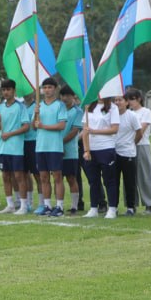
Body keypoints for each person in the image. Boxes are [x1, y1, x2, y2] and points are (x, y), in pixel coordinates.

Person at [32, 78, 69, 216]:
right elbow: (33, 127)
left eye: (49, 87)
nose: (47, 90)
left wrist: (43, 126)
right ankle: (47, 205)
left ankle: (59, 206)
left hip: (54, 146)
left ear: (55, 88)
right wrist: (35, 115)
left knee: (57, 177)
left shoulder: (60, 106)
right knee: (43, 177)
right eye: (45, 87)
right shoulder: (39, 106)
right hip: (40, 146)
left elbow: (61, 125)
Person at [81, 95, 120, 218]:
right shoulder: (89, 107)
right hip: (92, 150)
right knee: (93, 181)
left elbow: (114, 129)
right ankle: (93, 208)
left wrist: (95, 131)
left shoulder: (112, 108)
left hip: (106, 148)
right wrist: (86, 150)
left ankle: (112, 208)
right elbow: (85, 132)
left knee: (109, 180)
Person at [0, 79, 30, 214]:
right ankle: (10, 204)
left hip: (16, 148)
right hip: (3, 148)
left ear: (14, 91)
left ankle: (23, 205)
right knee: (5, 176)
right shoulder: (0, 107)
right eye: (3, 90)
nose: (5, 92)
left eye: (8, 89)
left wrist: (10, 134)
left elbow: (26, 126)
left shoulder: (20, 107)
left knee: (19, 176)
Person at [127, 88, 151, 214]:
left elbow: (142, 129)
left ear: (139, 99)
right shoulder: (128, 113)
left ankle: (149, 204)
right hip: (128, 147)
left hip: (141, 145)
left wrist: (132, 142)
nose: (130, 102)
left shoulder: (145, 112)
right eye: (128, 100)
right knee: (129, 177)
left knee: (145, 176)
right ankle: (131, 204)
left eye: (132, 99)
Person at [114, 95, 140, 215]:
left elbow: (139, 132)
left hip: (128, 153)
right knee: (113, 181)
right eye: (115, 100)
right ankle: (113, 207)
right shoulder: (111, 115)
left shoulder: (132, 115)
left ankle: (130, 207)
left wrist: (132, 143)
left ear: (126, 102)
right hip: (113, 152)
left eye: (120, 100)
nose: (117, 102)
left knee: (129, 181)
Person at [61, 86, 84, 215]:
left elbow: (75, 131)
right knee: (58, 178)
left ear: (73, 96)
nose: (64, 98)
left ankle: (75, 206)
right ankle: (60, 205)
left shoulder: (77, 111)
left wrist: (60, 143)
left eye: (67, 96)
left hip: (70, 150)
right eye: (62, 96)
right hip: (57, 149)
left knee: (71, 177)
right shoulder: (59, 110)